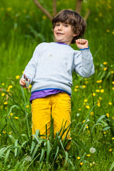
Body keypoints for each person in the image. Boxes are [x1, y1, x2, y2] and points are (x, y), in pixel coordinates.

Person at [20, 9, 94, 147]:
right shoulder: (42, 47)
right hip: (39, 95)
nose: (59, 28)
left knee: (63, 130)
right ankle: (40, 158)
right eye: (58, 24)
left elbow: (87, 72)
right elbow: (32, 66)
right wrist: (26, 79)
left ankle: (62, 158)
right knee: (39, 131)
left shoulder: (74, 53)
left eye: (66, 26)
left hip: (62, 96)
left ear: (76, 32)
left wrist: (85, 50)